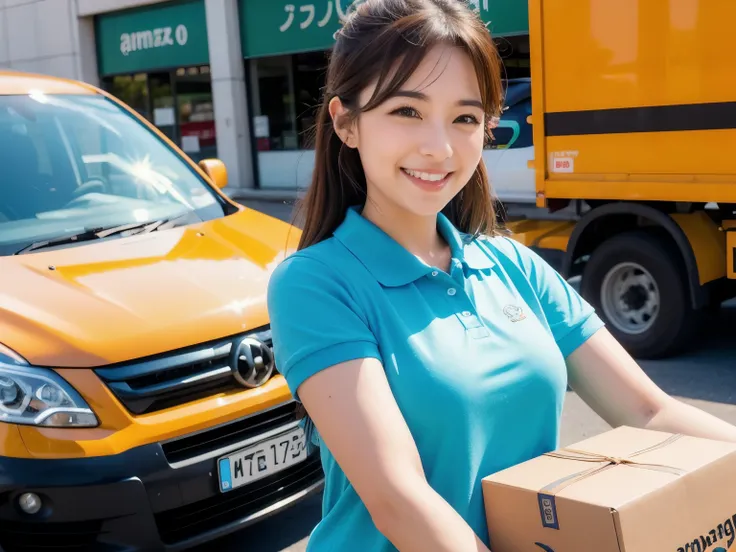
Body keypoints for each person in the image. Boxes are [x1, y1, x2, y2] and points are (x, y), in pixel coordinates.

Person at [266, 1, 736, 550]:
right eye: (406, 111)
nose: (439, 148)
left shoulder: (512, 265)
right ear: (346, 121)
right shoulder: (315, 284)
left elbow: (649, 411)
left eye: (464, 118)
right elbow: (398, 498)